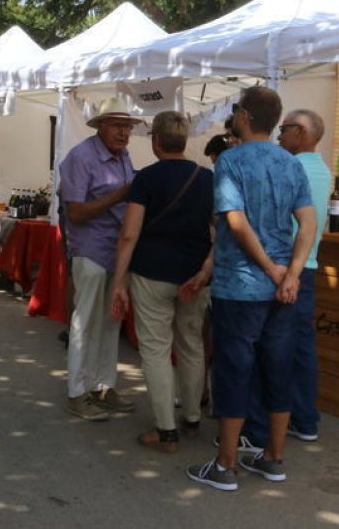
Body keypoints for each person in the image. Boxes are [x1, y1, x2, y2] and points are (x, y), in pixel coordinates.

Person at [186, 86, 315, 491]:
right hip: (282, 290)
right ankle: (274, 458)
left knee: (235, 371)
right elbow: (307, 224)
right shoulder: (291, 163)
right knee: (277, 369)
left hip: (240, 287)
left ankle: (226, 465)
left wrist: (274, 272)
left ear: (244, 116)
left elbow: (237, 224)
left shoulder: (230, 161)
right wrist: (291, 273)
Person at [110, 111, 214, 453]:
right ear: (183, 141)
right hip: (195, 275)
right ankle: (193, 418)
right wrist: (206, 270)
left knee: (155, 349)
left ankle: (166, 430)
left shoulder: (147, 179)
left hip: (152, 272)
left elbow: (129, 234)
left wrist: (119, 280)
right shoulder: (207, 178)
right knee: (191, 343)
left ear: (156, 141)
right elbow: (219, 231)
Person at [240, 109, 332, 450]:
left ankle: (260, 428)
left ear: (303, 132)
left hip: (283, 268)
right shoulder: (323, 170)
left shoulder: (289, 167)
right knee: (302, 348)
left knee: (270, 351)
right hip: (307, 267)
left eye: (285, 129)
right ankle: (305, 419)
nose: (279, 135)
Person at [58, 96, 140, 421]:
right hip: (91, 249)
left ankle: (103, 386)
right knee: (85, 323)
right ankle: (77, 392)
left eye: (128, 127)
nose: (124, 133)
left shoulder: (124, 156)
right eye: (118, 126)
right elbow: (75, 213)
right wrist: (119, 195)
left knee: (111, 322)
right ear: (101, 126)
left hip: (117, 250)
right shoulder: (80, 157)